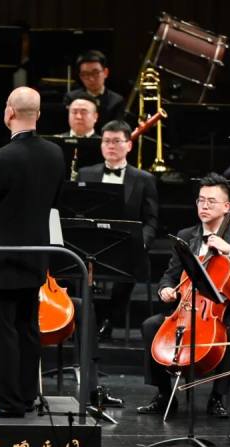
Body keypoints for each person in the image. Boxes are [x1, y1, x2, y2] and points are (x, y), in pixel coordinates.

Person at [0, 87, 65, 418]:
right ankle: (25, 396)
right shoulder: (55, 154)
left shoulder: (1, 158)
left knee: (2, 333)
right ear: (38, 115)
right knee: (27, 329)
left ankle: (8, 401)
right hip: (35, 255)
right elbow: (55, 200)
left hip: (2, 258)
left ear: (9, 112)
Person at [138, 173, 230, 419]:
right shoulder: (186, 235)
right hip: (187, 308)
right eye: (201, 200)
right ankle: (163, 395)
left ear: (227, 207)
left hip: (222, 311)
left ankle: (217, 397)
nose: (204, 206)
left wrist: (229, 250)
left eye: (211, 201)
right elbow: (170, 276)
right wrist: (165, 290)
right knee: (150, 326)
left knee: (229, 333)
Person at [78, 120, 158, 340]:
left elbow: (151, 220)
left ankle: (108, 320)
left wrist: (142, 242)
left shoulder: (144, 179)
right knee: (72, 265)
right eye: (106, 141)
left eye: (116, 141)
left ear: (129, 145)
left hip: (126, 244)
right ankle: (86, 322)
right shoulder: (85, 174)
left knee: (127, 271)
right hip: (93, 243)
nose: (111, 146)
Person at [62, 50, 125, 132]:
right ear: (80, 76)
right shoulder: (72, 98)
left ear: (105, 73)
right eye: (85, 74)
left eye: (95, 73)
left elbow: (116, 130)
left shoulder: (116, 101)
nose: (91, 79)